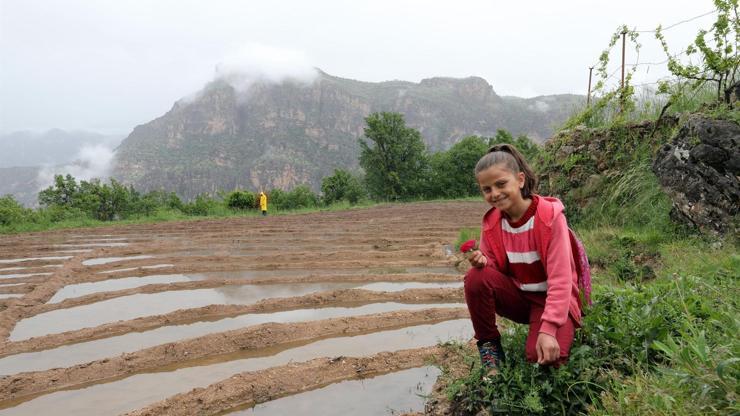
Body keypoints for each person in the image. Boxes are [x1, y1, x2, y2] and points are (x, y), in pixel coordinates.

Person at [464, 144, 582, 370]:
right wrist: (484, 262)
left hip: (553, 300)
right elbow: (496, 271)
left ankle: (551, 327)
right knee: (476, 277)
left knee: (543, 359)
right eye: (486, 189)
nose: (495, 194)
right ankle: (490, 348)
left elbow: (561, 280)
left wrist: (548, 330)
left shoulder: (549, 217)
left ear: (519, 180)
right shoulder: (491, 222)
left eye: (501, 184)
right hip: (519, 298)